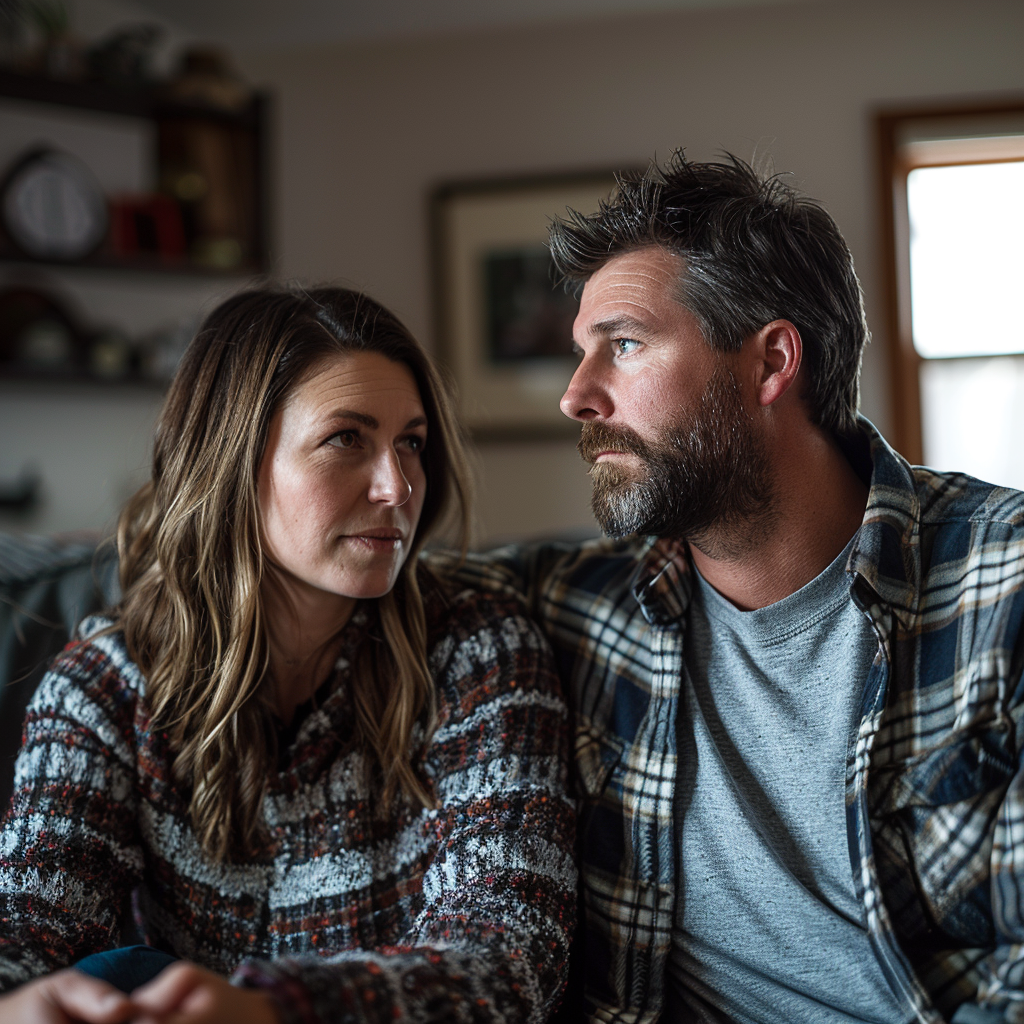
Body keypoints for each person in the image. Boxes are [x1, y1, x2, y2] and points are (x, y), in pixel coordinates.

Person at [439, 153, 1024, 1024]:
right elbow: (348, 582)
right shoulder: (579, 605)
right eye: (579, 354)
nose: (575, 397)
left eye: (624, 344)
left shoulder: (1003, 584)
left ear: (770, 362)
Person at [0, 287, 575, 1024]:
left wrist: (275, 1012)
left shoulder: (477, 648)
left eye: (411, 442)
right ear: (233, 461)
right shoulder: (105, 687)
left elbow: (513, 944)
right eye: (347, 438)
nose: (397, 485)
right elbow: (31, 924)